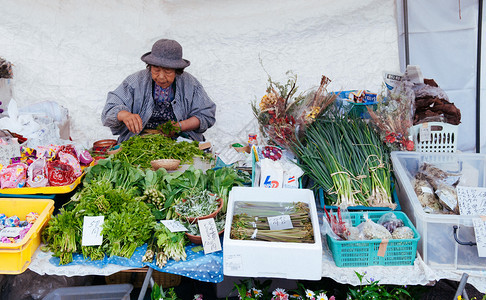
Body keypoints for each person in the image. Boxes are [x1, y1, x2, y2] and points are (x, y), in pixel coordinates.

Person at [101, 39, 216, 143]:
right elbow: (109, 109)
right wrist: (124, 115)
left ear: (177, 70)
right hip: (139, 141)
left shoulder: (191, 84)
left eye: (167, 71)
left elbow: (206, 115)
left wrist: (180, 126)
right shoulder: (134, 82)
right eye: (156, 70)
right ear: (149, 66)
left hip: (180, 141)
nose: (161, 77)